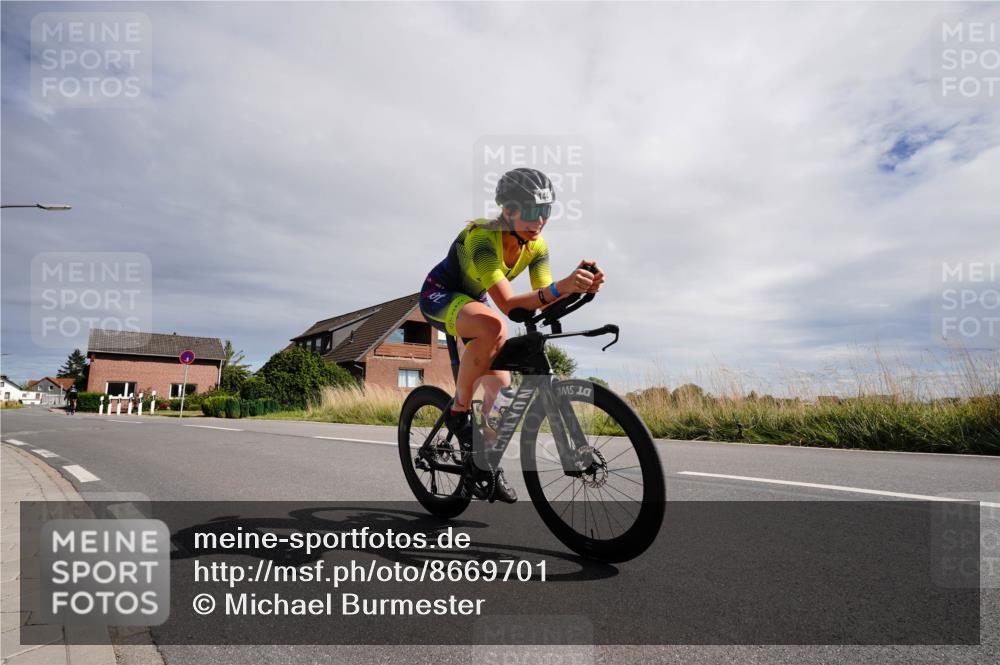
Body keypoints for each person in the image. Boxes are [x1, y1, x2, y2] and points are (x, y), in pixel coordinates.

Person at [419, 167, 605, 503]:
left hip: (475, 301)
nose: (541, 220)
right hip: (440, 294)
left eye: (546, 212)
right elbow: (507, 304)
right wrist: (560, 287)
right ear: (508, 211)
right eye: (533, 212)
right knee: (495, 325)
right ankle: (459, 411)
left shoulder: (537, 246)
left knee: (503, 398)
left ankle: (484, 466)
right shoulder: (481, 238)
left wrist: (578, 284)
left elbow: (540, 295)